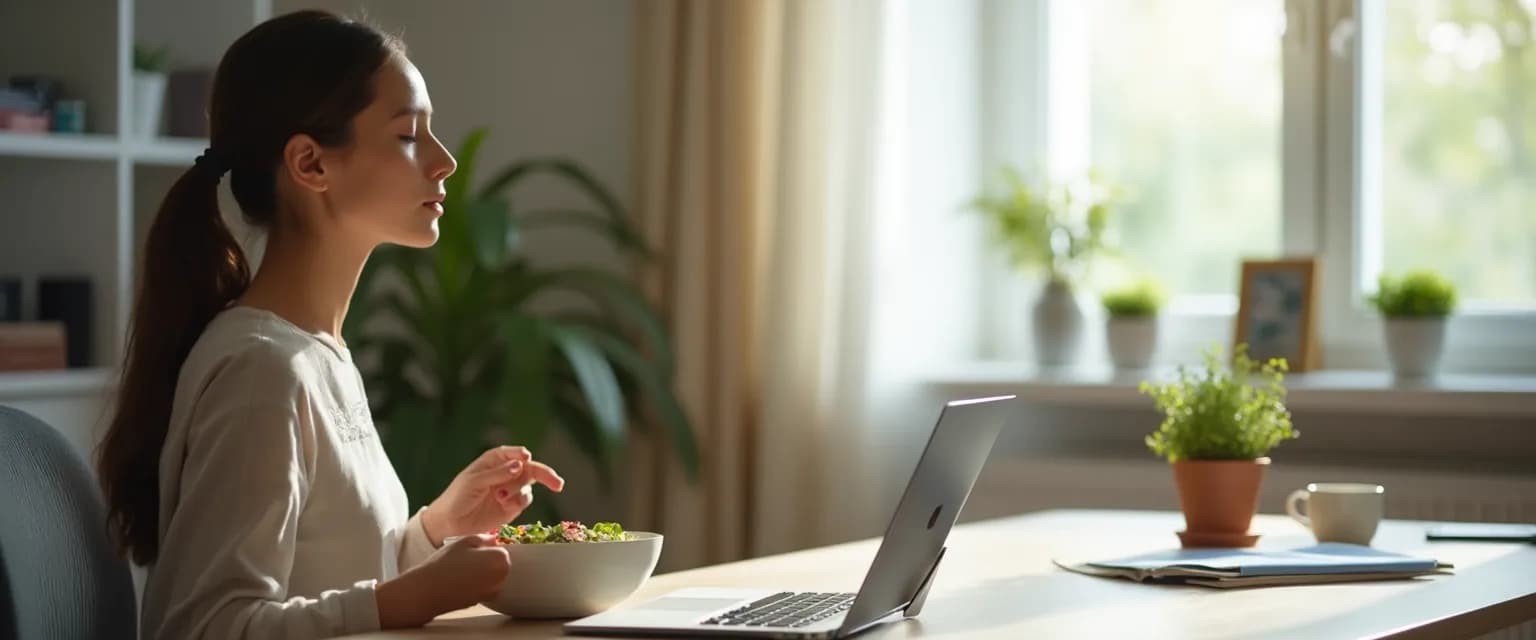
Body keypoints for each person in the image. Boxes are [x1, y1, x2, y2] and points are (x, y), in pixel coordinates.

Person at [93, 10, 563, 638]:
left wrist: (434, 531)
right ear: (311, 164)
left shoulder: (318, 353)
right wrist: (407, 601)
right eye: (408, 135)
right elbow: (202, 625)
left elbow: (322, 581)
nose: (444, 160)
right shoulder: (263, 370)